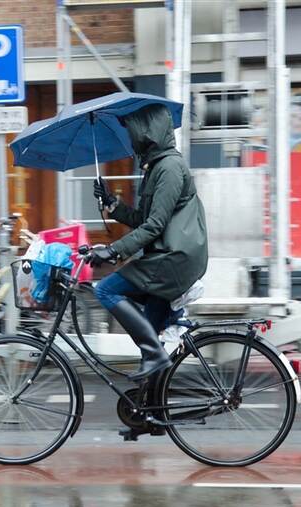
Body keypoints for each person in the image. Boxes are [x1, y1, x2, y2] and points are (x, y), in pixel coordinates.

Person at [91, 103, 208, 381]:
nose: (130, 138)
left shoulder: (169, 167)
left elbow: (154, 226)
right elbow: (144, 218)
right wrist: (111, 203)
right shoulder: (155, 167)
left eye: (132, 131)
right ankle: (150, 419)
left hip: (173, 258)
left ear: (147, 132)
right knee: (150, 343)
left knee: (106, 290)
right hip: (168, 257)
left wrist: (113, 251)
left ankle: (155, 355)